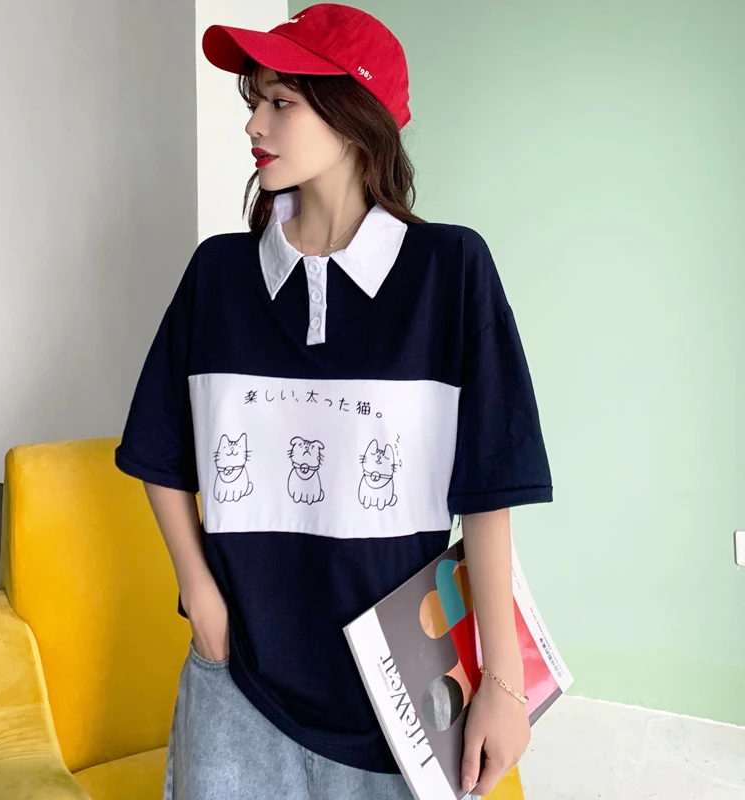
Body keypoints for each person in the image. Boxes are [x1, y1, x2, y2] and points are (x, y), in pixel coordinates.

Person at [115, 4, 553, 799]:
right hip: (238, 684)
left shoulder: (449, 272)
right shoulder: (219, 277)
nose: (255, 122)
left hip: (399, 698)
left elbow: (490, 491)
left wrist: (503, 683)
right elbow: (158, 451)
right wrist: (201, 598)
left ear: (355, 117)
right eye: (255, 100)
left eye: (281, 102)